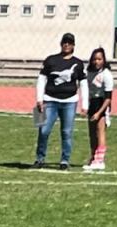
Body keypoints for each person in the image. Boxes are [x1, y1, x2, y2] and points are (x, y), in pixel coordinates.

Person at [34, 32, 88, 170]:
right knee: (43, 130)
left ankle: (64, 160)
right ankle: (39, 158)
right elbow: (41, 79)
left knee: (66, 132)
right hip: (49, 100)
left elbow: (83, 83)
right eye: (65, 42)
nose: (67, 45)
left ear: (73, 45)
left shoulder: (78, 63)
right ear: (61, 44)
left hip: (69, 101)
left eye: (69, 43)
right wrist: (39, 99)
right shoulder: (51, 60)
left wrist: (85, 104)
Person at [83, 47, 114, 171]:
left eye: (99, 59)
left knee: (100, 131)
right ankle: (93, 157)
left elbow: (108, 98)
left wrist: (99, 113)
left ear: (103, 60)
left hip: (102, 103)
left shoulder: (106, 74)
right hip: (92, 102)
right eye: (95, 59)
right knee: (92, 133)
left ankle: (100, 160)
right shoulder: (89, 72)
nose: (97, 62)